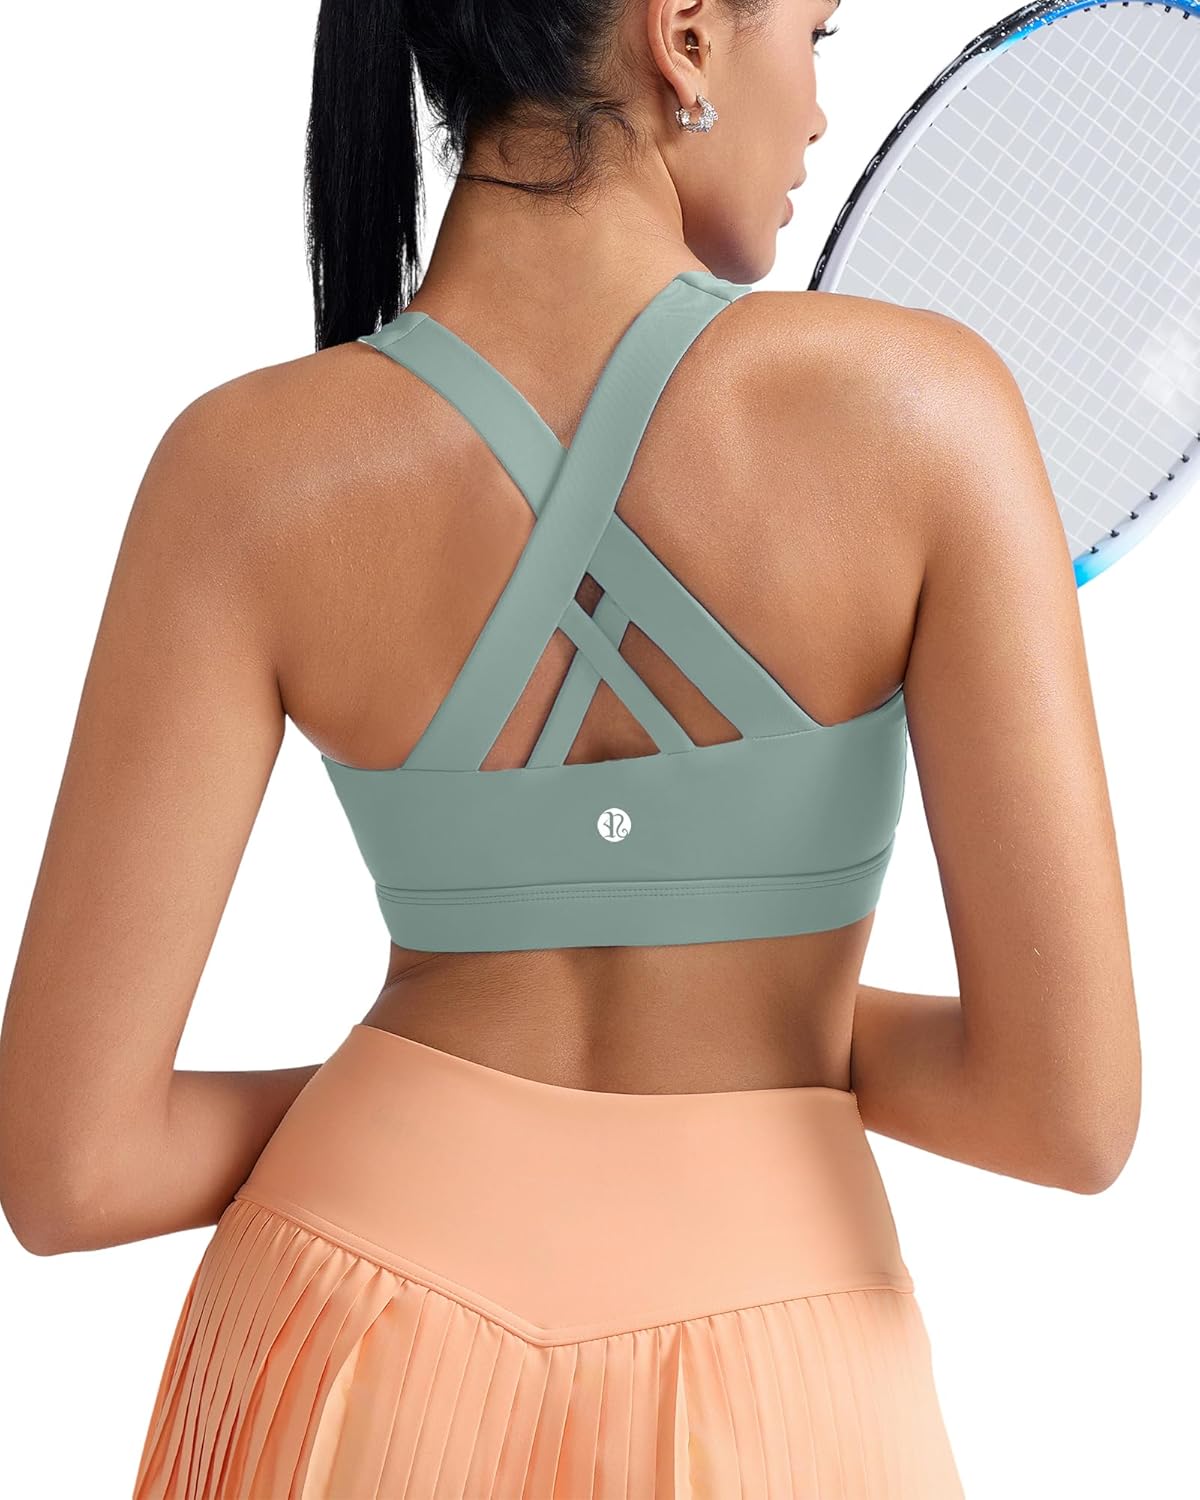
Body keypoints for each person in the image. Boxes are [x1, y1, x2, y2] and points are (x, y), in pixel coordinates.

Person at [0, 1, 1141, 1495]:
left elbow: (72, 1172)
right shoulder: (928, 413)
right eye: (816, 35)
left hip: (347, 1330)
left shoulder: (243, 471)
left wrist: (440, 1082)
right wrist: (774, 1017)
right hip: (779, 1359)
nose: (816, 111)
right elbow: (1065, 1113)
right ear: (685, 35)